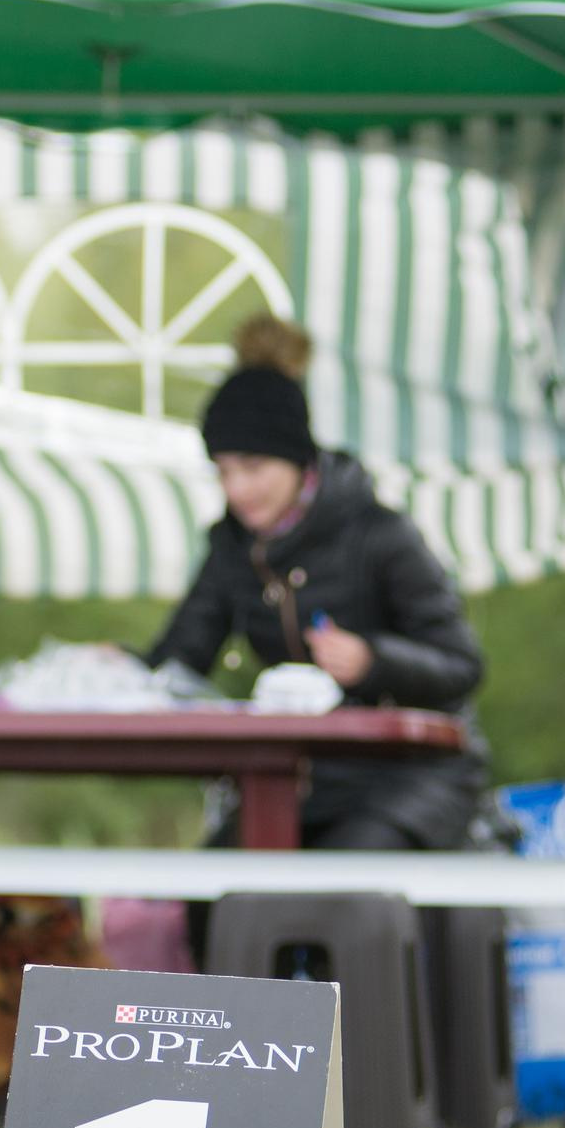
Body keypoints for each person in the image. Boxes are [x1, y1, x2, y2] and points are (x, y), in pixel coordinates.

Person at [145, 314, 488, 868]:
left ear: (296, 457)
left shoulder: (381, 534)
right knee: (211, 892)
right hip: (297, 782)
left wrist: (373, 660)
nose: (236, 490)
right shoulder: (231, 548)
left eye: (252, 468)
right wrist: (116, 669)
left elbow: (463, 665)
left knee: (336, 891)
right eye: (223, 471)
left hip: (415, 779)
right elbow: (179, 661)